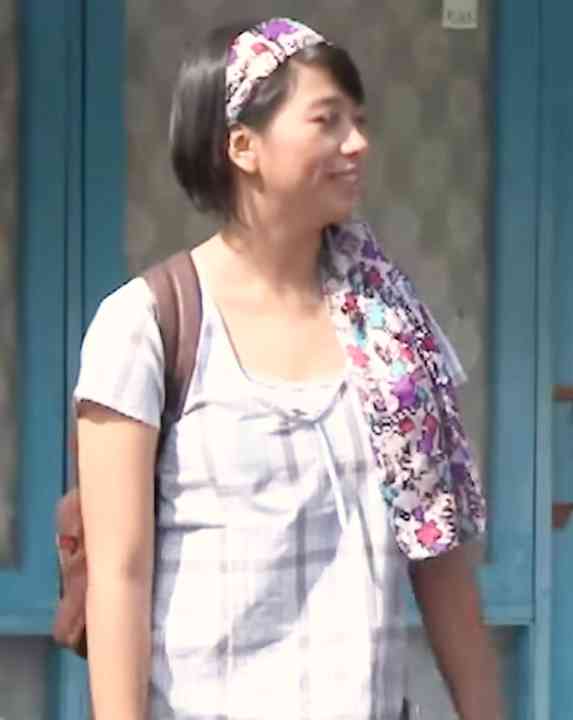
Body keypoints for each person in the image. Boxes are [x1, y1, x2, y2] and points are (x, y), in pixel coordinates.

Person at [73, 18, 502, 720]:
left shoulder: (390, 328)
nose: (356, 143)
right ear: (242, 145)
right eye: (326, 121)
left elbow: (439, 553)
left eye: (359, 121)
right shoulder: (146, 326)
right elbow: (119, 574)